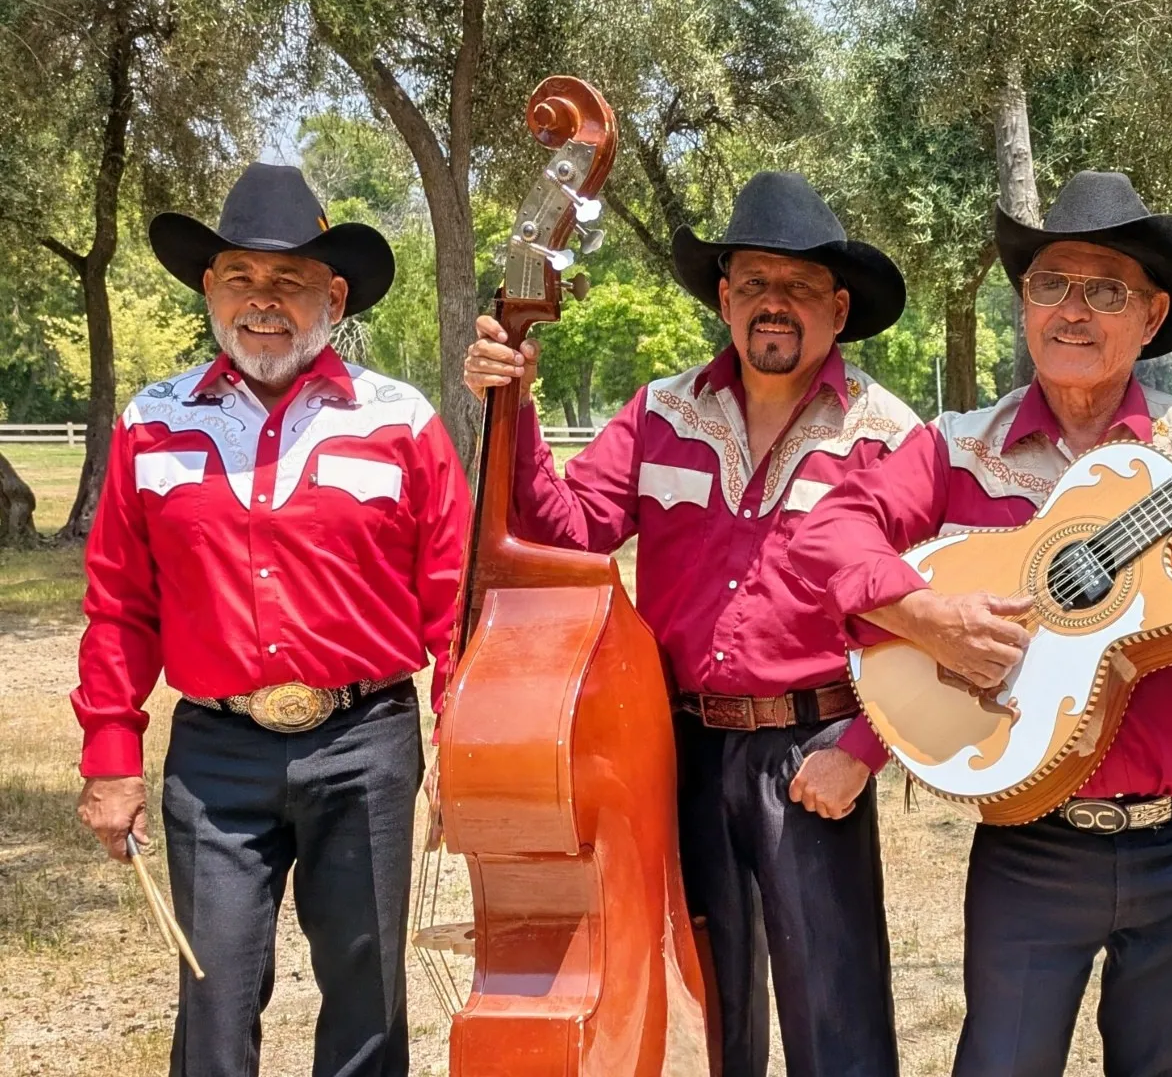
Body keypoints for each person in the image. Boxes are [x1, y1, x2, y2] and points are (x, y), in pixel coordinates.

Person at [787, 170, 1172, 1077]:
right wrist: (926, 617)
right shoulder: (958, 445)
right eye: (1050, 284)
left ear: (1153, 316)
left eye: (1106, 290)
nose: (1073, 311)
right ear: (1024, 306)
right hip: (1032, 842)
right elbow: (826, 537)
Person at [461, 171, 916, 1077]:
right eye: (754, 282)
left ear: (838, 308)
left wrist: (865, 750)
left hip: (814, 748)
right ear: (723, 297)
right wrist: (515, 408)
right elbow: (569, 533)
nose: (773, 303)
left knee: (836, 1015)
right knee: (710, 1003)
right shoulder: (658, 414)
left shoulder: (886, 436)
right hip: (679, 752)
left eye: (798, 286)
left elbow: (926, 617)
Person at [71, 162, 469, 1077]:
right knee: (213, 992)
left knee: (367, 992)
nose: (263, 301)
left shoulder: (400, 420)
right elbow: (120, 604)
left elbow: (453, 601)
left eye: (289, 280)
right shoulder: (151, 421)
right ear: (210, 288)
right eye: (241, 277)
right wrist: (110, 753)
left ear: (334, 297)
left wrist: (463, 743)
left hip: (366, 743)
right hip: (215, 754)